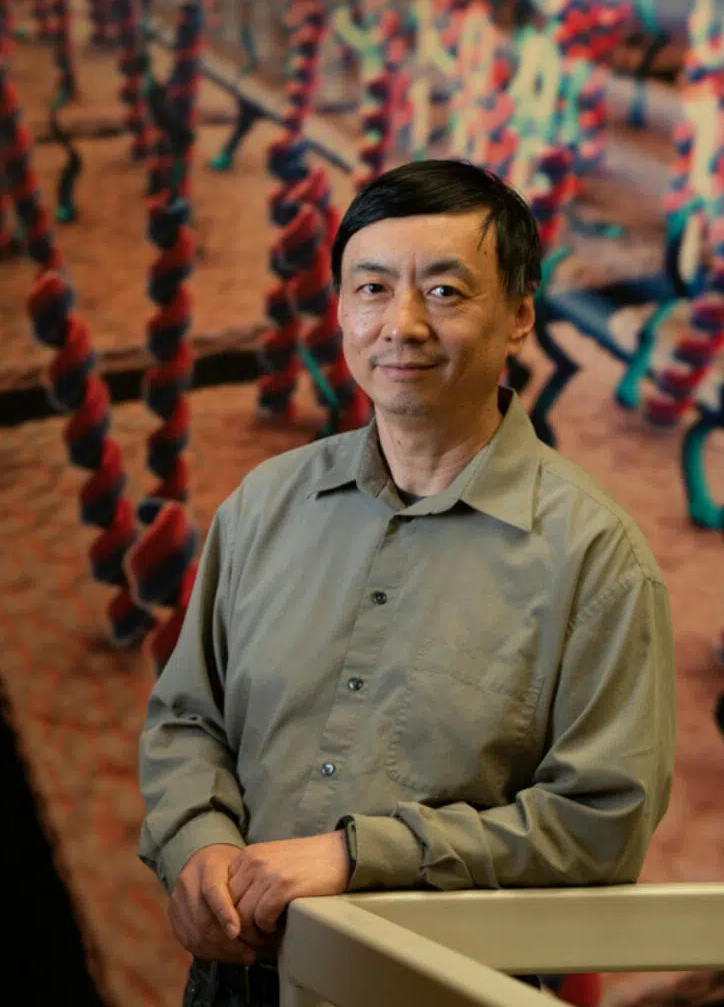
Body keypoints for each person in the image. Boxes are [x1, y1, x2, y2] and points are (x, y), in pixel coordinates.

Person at [136, 159, 676, 1007]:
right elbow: (186, 719)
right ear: (342, 309)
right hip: (232, 985)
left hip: (445, 987)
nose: (403, 324)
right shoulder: (263, 507)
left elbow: (600, 825)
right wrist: (196, 844)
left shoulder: (594, 557)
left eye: (448, 292)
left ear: (521, 317)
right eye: (373, 288)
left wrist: (361, 855)